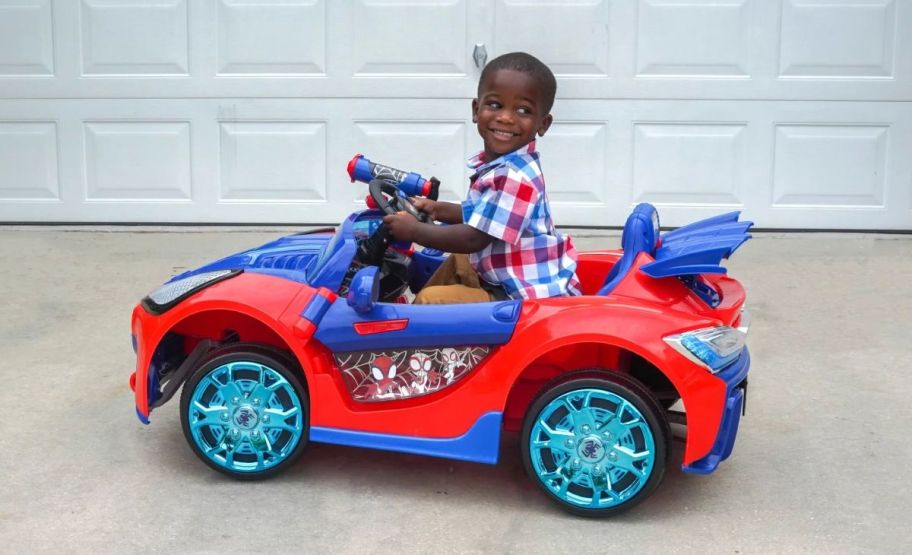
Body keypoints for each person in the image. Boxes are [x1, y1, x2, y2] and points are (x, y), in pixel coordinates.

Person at [383, 52, 581, 304]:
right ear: (477, 110)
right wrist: (437, 209)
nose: (506, 117)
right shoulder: (501, 166)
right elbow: (481, 214)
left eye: (523, 110)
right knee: (459, 260)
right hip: (503, 276)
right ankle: (414, 316)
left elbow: (474, 238)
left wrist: (414, 231)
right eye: (495, 105)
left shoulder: (515, 177)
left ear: (543, 124)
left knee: (433, 301)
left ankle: (416, 328)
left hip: (522, 296)